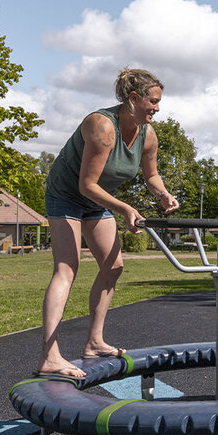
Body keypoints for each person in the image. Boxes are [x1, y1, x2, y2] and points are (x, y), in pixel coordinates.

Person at [36, 68, 180, 378]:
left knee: (113, 267)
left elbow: (151, 175)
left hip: (96, 201)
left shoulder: (147, 134)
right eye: (153, 101)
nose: (157, 107)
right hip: (66, 196)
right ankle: (50, 356)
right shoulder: (101, 126)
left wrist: (164, 195)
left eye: (159, 102)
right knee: (67, 268)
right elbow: (87, 184)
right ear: (133, 98)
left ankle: (94, 342)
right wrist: (125, 208)